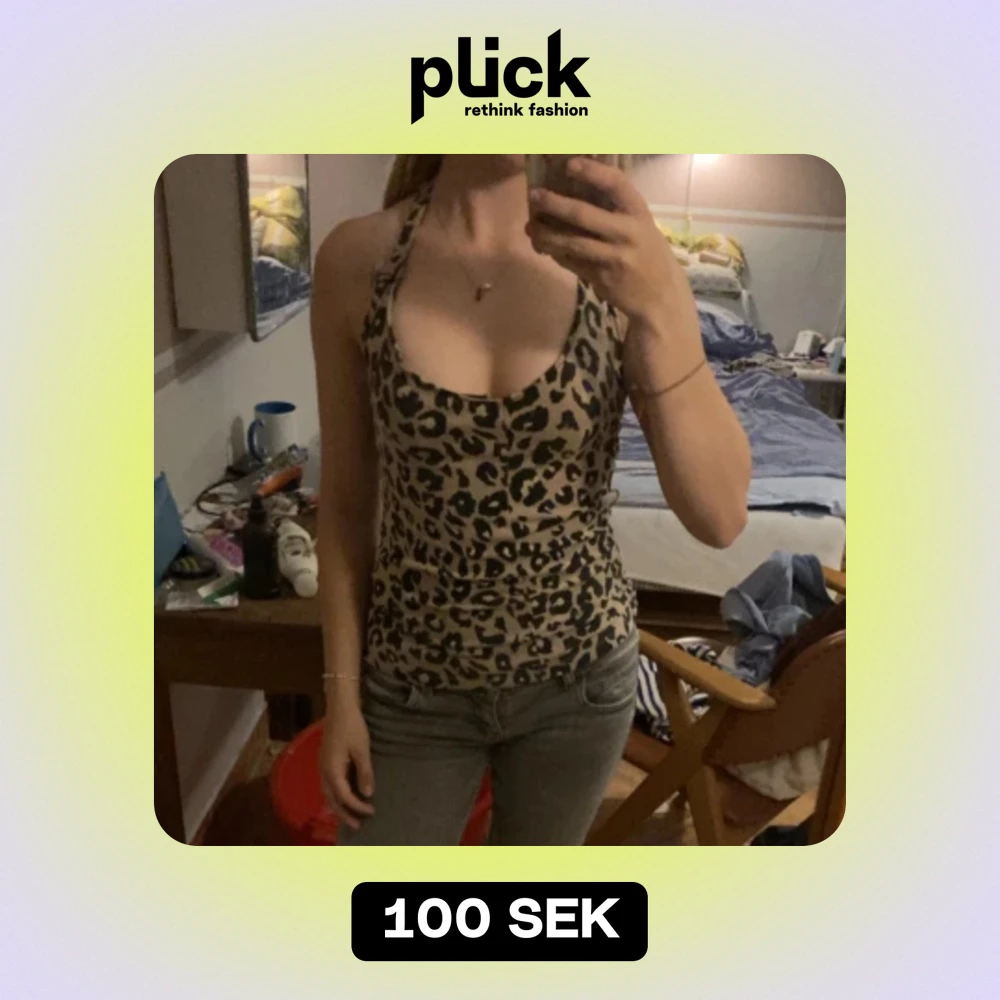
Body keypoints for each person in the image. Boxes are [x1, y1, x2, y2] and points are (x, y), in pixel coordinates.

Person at [309, 154, 750, 845]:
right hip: (412, 685)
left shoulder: (614, 260)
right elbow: (342, 505)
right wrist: (340, 695)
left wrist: (664, 302)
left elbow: (720, 517)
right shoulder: (358, 259)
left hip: (580, 684)